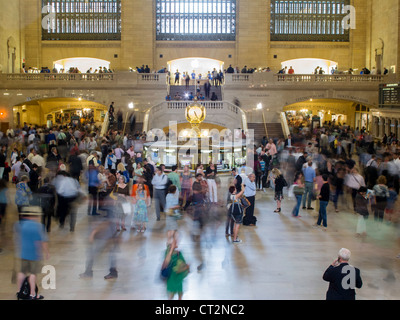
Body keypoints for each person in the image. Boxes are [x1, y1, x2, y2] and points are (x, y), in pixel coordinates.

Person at [15, 206, 49, 300]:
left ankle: (19, 292)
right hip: (33, 253)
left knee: (22, 272)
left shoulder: (18, 225)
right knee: (33, 273)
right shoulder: (38, 226)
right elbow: (41, 241)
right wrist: (46, 252)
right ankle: (33, 294)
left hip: (22, 252)